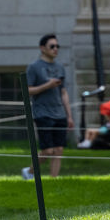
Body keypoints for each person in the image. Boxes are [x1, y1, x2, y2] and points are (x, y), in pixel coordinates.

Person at [23, 34, 73, 179]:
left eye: (57, 46)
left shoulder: (60, 67)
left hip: (59, 113)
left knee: (59, 149)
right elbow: (28, 90)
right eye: (52, 46)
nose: (56, 49)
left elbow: (63, 92)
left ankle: (53, 179)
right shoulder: (34, 67)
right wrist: (48, 85)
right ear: (42, 48)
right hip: (42, 112)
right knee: (48, 150)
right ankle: (29, 172)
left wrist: (69, 115)